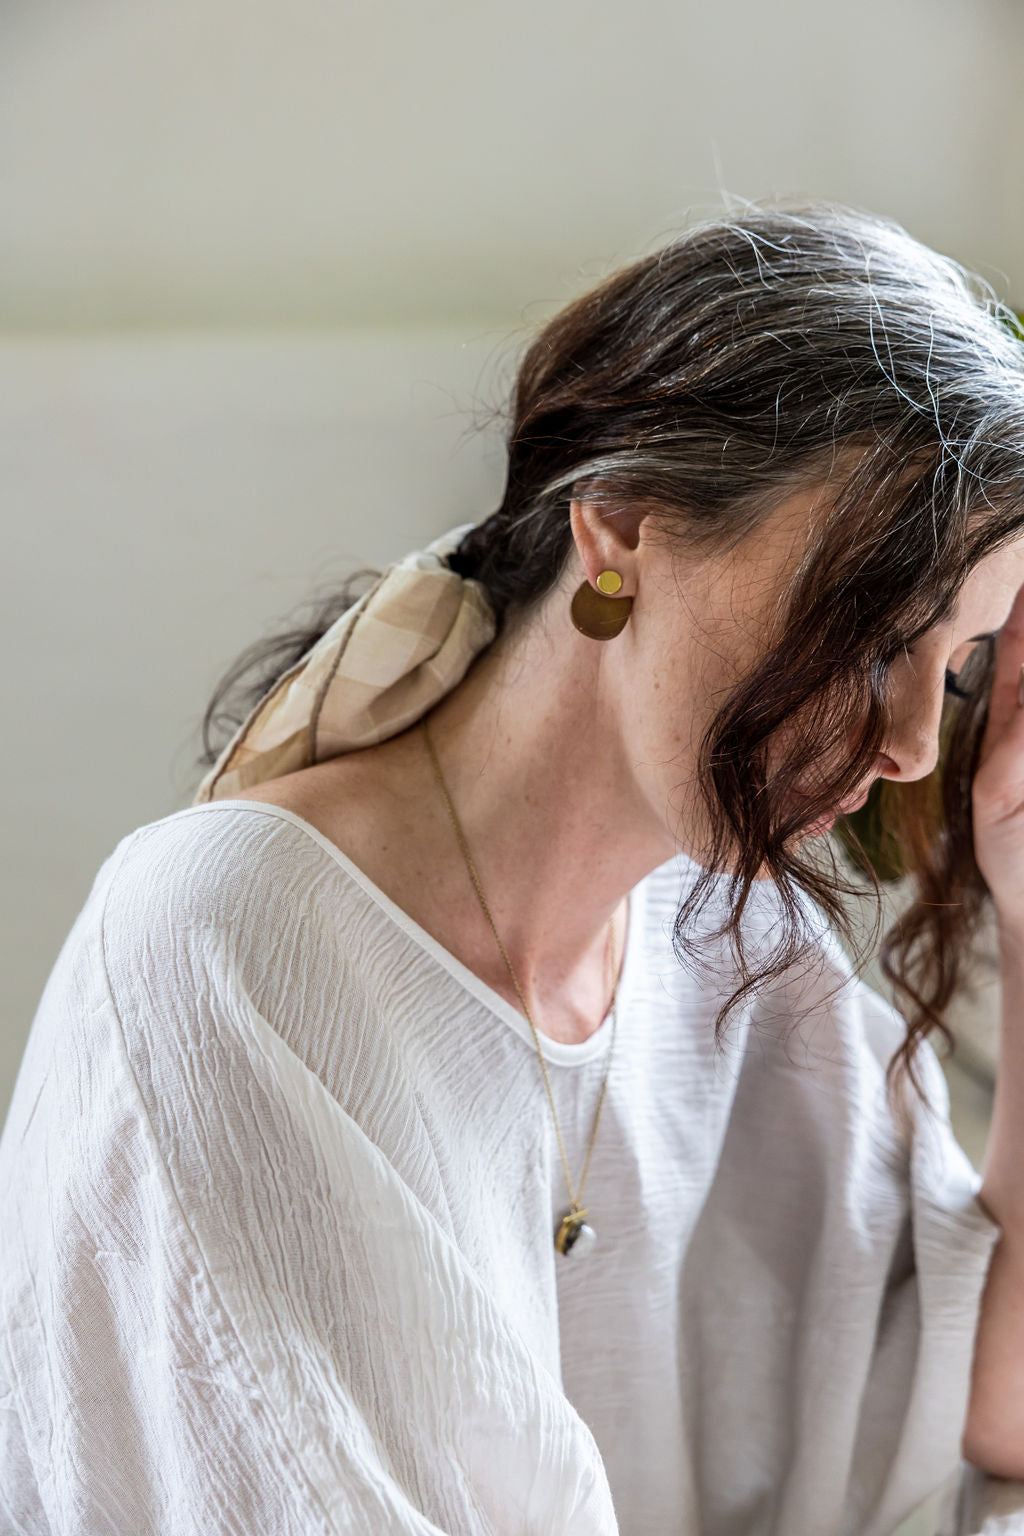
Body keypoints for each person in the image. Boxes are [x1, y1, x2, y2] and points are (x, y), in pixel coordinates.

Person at [4, 197, 1024, 1536]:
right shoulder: (234, 946)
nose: (906, 748)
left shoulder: (735, 944)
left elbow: (986, 1419)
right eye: (874, 635)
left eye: (954, 666)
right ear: (621, 520)